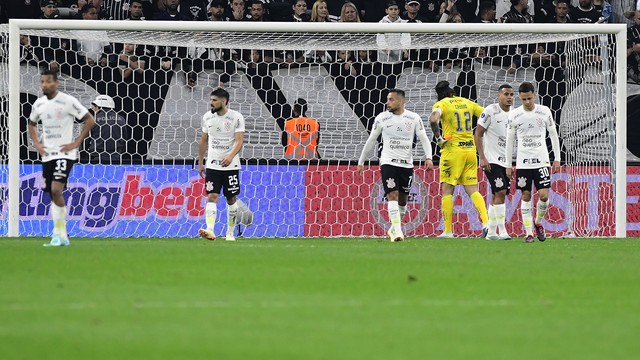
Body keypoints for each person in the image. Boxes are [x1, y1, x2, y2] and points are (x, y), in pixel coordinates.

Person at [28, 69, 96, 247]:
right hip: (47, 154)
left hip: (65, 153)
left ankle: (59, 233)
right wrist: (36, 143)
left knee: (56, 189)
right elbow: (32, 123)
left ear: (56, 83)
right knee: (52, 192)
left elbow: (90, 120)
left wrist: (77, 142)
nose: (45, 85)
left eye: (48, 82)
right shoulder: (39, 104)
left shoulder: (68, 101)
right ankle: (61, 235)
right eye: (42, 82)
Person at [358, 89, 434, 242]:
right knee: (391, 194)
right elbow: (371, 140)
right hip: (388, 162)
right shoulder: (382, 118)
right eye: (387, 99)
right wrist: (361, 161)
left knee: (403, 200)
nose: (388, 102)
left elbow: (424, 138)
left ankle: (393, 228)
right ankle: (398, 232)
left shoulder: (413, 118)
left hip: (406, 165)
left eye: (391, 100)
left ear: (401, 101)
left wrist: (429, 157)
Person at [429, 80, 488, 238]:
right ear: (452, 91)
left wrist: (439, 138)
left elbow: (433, 119)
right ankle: (487, 223)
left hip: (452, 151)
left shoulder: (441, 104)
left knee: (447, 190)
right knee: (473, 190)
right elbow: (486, 114)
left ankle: (448, 231)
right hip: (470, 150)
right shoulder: (467, 102)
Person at [504, 82, 561, 243]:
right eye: (523, 99)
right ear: (520, 98)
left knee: (543, 196)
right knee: (526, 195)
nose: (527, 102)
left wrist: (556, 158)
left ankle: (538, 222)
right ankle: (529, 233)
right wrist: (509, 164)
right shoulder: (514, 115)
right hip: (523, 163)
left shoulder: (544, 112)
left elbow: (553, 134)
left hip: (542, 161)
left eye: (529, 98)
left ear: (534, 95)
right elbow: (510, 141)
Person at [198, 88, 245, 242]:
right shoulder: (207, 117)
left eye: (214, 100)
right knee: (212, 196)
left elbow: (239, 140)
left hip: (230, 166)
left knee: (231, 198)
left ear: (224, 101)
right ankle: (210, 230)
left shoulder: (236, 117)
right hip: (212, 165)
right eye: (211, 100)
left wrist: (230, 156)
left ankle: (230, 233)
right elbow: (204, 140)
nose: (211, 103)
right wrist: (200, 162)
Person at [473, 84, 514, 240]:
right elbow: (478, 134)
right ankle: (502, 231)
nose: (509, 97)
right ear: (499, 96)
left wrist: (511, 163)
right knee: (501, 192)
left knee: (496, 195)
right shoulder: (490, 111)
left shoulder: (514, 114)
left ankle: (490, 232)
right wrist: (482, 157)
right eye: (506, 94)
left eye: (511, 94)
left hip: (506, 161)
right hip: (491, 160)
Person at [86, 94, 128, 163]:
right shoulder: (121, 119)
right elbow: (124, 139)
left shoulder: (92, 120)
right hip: (116, 157)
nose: (93, 109)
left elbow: (85, 141)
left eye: (95, 106)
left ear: (99, 106)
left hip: (97, 158)